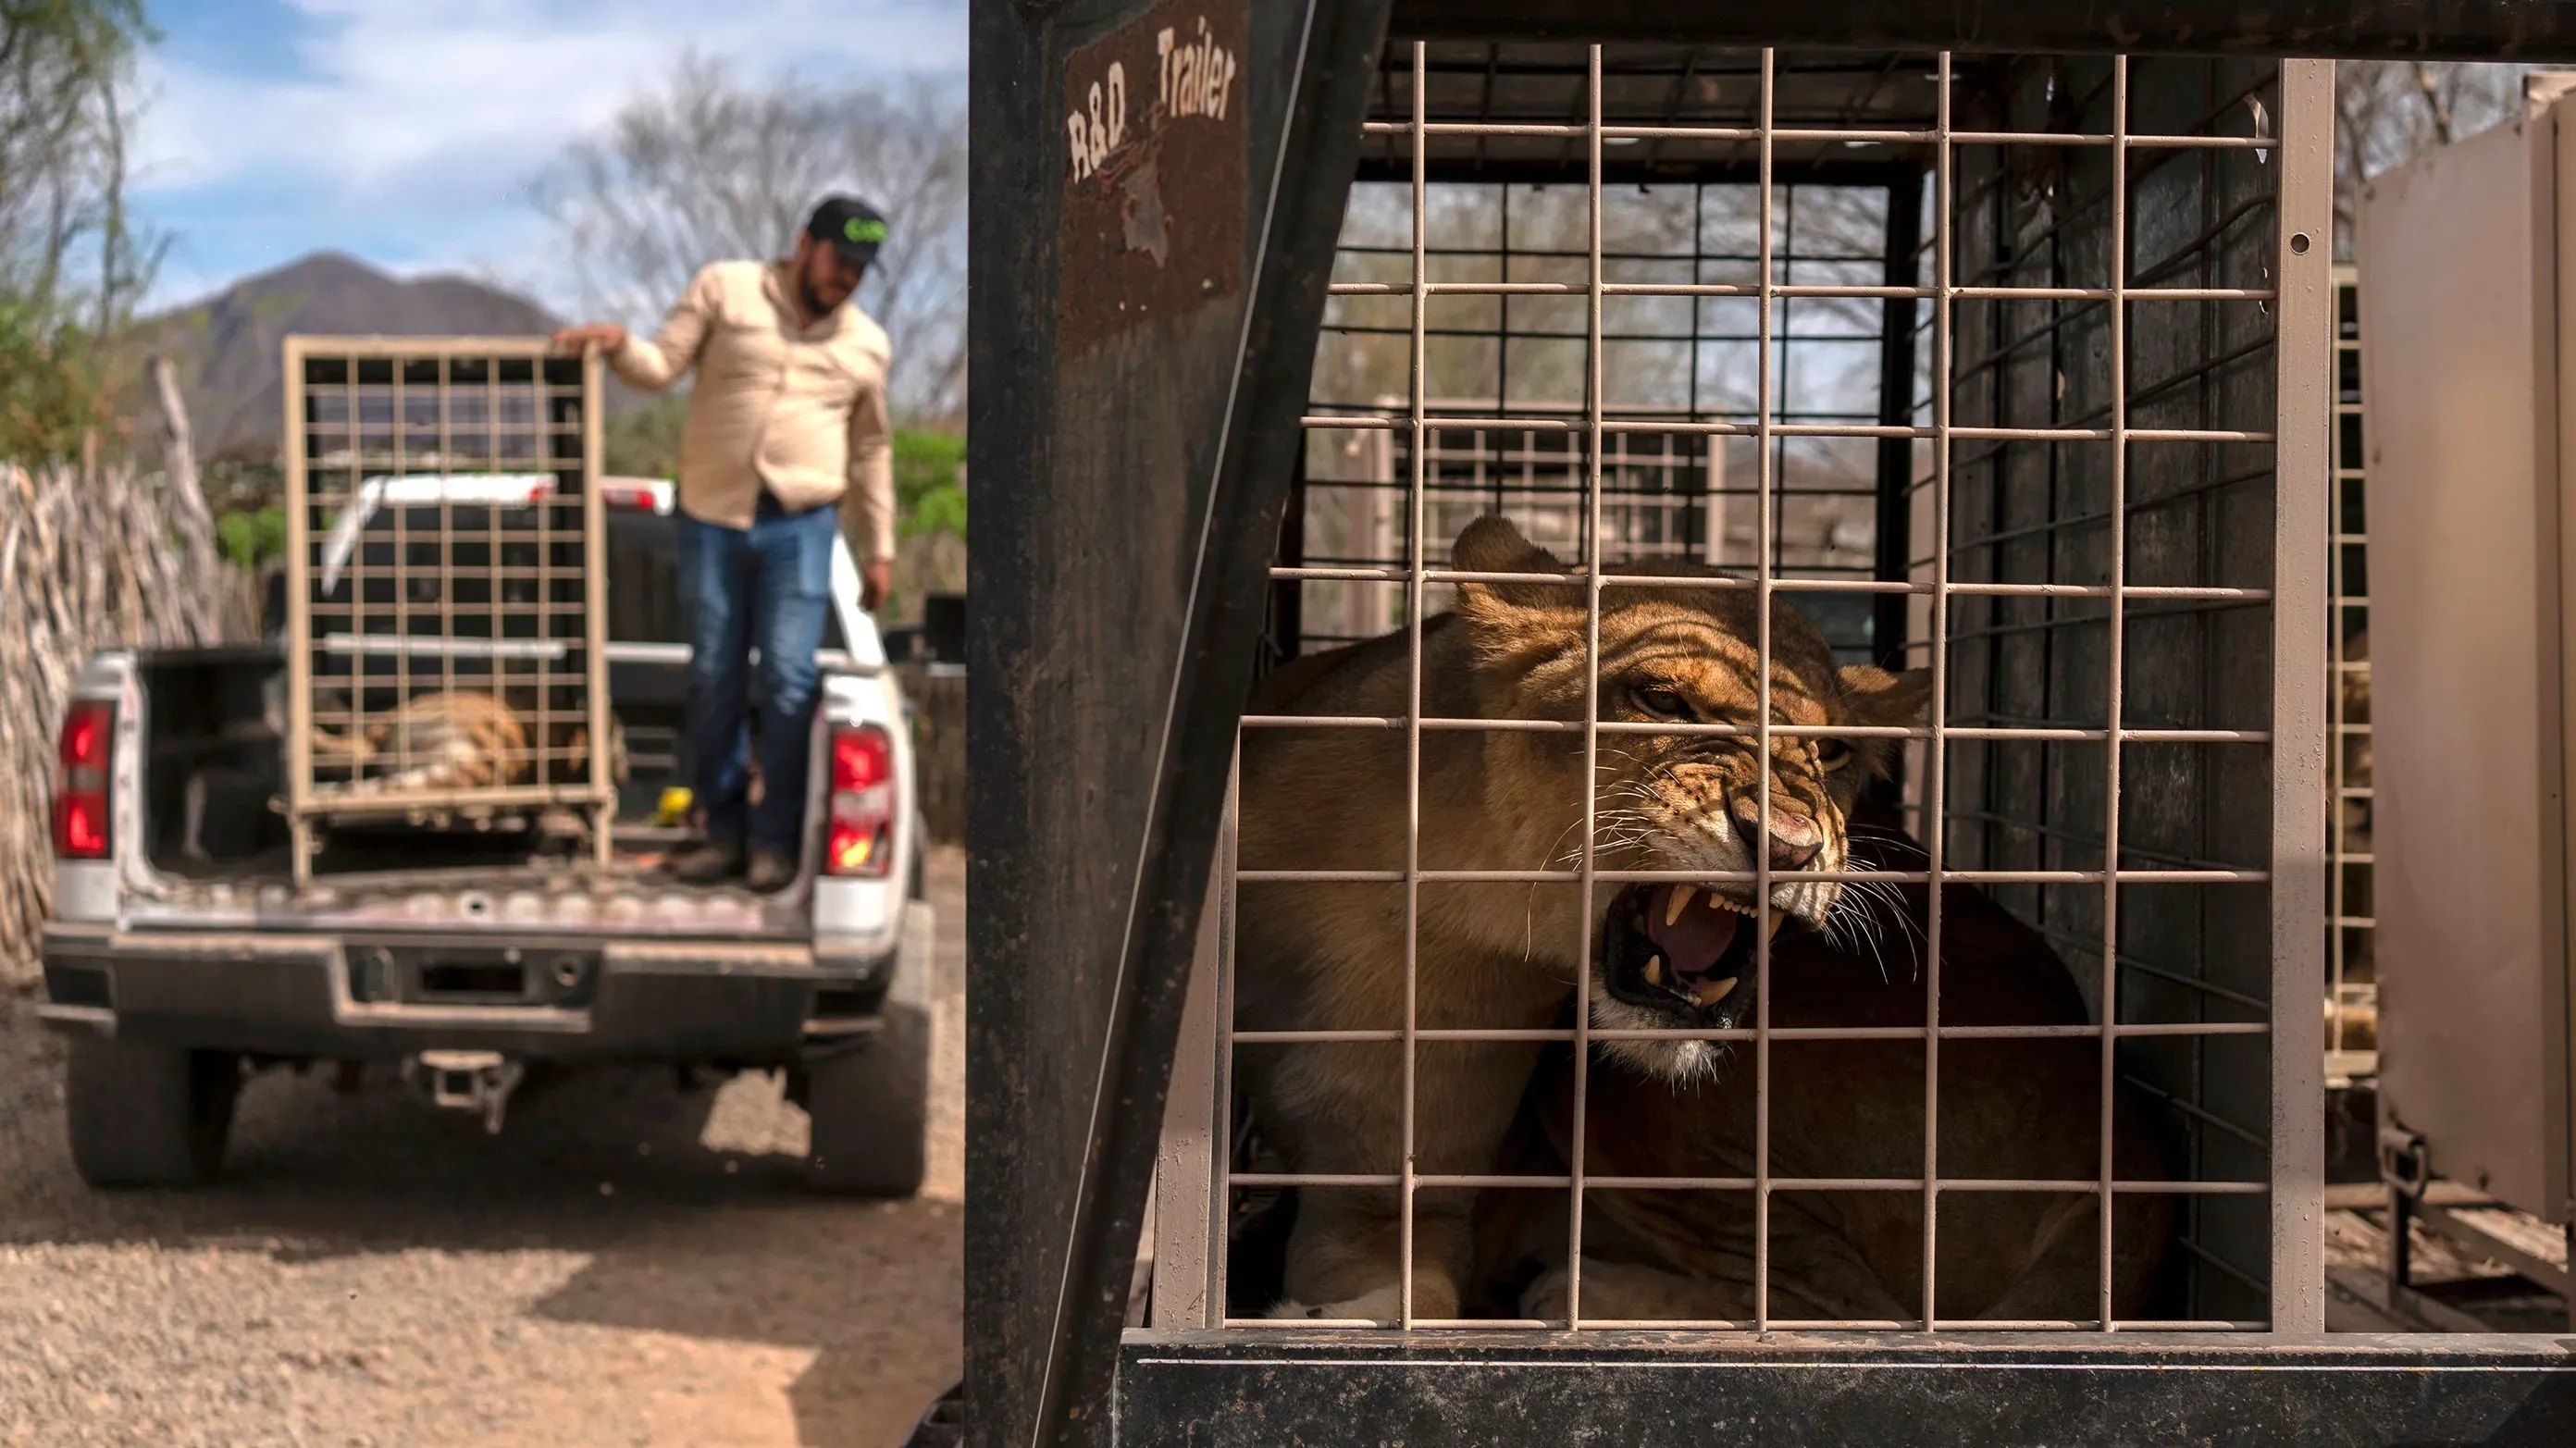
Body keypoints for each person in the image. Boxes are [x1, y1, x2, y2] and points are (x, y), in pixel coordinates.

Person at [552, 195, 898, 893]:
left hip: (801, 523)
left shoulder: (867, 343)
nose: (848, 279)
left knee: (789, 678)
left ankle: (773, 840)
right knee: (714, 671)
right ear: (805, 244)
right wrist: (619, 345)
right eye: (839, 260)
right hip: (713, 514)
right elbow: (660, 365)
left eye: (862, 269)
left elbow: (871, 448)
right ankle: (721, 829)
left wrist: (882, 545)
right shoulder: (725, 288)